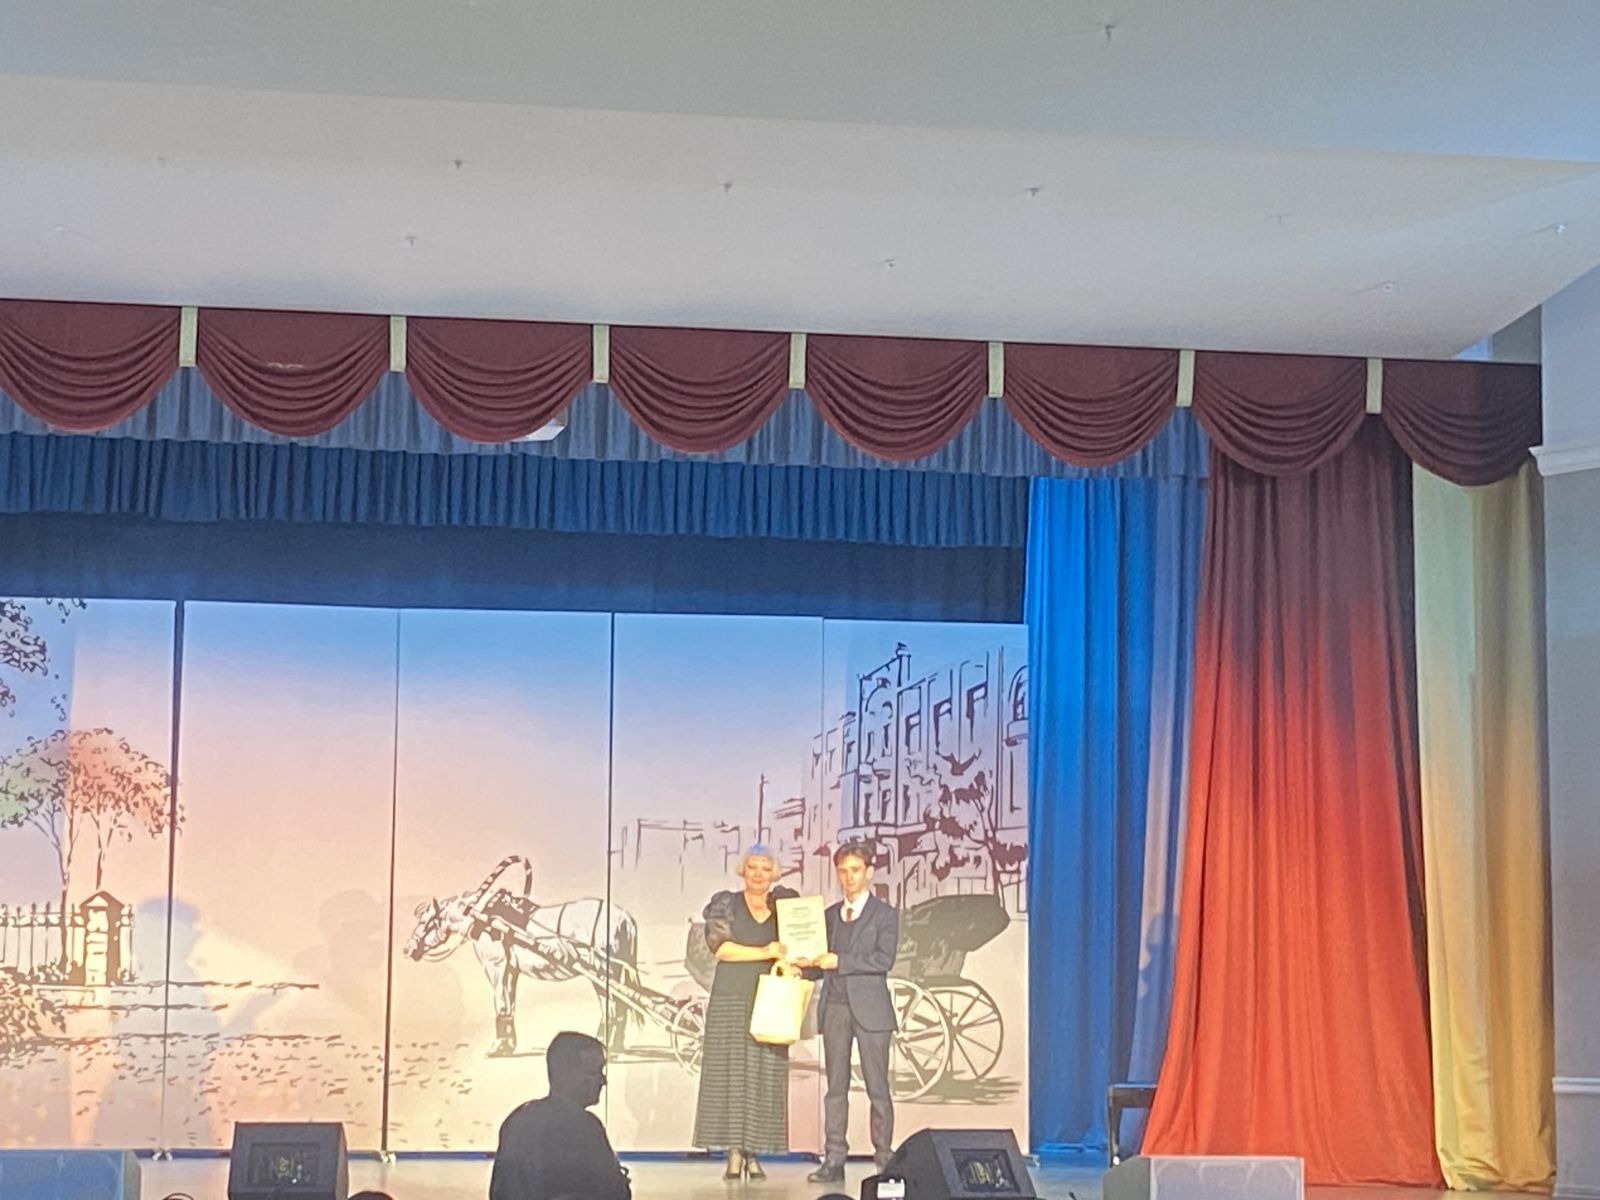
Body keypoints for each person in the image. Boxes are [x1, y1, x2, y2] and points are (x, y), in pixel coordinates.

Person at [692, 844, 799, 1180]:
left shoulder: (784, 906)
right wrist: (765, 951)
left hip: (770, 1000)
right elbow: (722, 949)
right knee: (731, 1077)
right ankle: (734, 1152)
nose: (758, 874)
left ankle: (754, 1151)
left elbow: (798, 946)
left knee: (764, 1077)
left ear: (774, 873)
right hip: (731, 998)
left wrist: (793, 962)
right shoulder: (727, 904)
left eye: (765, 868)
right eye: (752, 867)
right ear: (743, 870)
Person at [802, 841, 900, 1185]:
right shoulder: (829, 915)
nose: (848, 877)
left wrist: (840, 961)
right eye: (842, 871)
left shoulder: (885, 915)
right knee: (835, 1088)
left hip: (871, 1011)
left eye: (855, 870)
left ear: (869, 872)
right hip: (835, 1009)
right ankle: (834, 1158)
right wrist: (801, 963)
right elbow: (820, 964)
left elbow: (883, 959)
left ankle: (884, 1159)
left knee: (878, 1088)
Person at [489, 1030, 631, 1200]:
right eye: (594, 1072)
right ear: (566, 1075)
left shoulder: (517, 1121)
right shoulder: (585, 1127)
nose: (603, 1081)